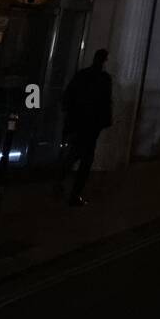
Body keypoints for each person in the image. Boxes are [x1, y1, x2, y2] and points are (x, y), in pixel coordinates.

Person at [60, 48, 113, 206]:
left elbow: (69, 95)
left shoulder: (82, 74)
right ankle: (75, 194)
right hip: (91, 124)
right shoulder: (104, 78)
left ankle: (60, 181)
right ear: (104, 61)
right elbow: (105, 102)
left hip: (79, 122)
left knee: (74, 154)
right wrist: (105, 121)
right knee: (86, 159)